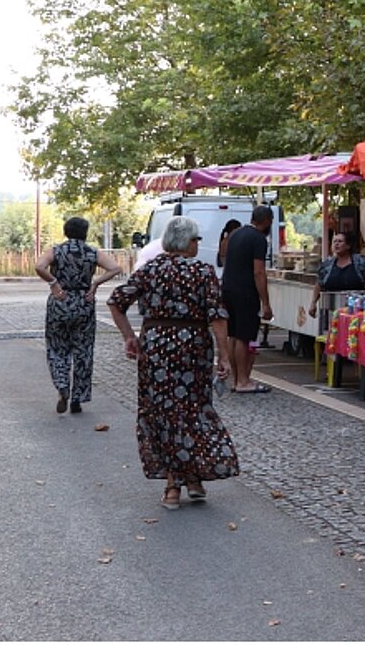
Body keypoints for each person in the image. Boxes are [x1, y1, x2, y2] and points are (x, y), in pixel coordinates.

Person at [107, 216, 238, 510]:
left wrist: (130, 337)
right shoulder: (203, 272)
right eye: (196, 240)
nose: (198, 245)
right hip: (193, 347)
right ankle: (186, 481)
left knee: (163, 413)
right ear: (187, 242)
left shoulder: (150, 270)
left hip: (157, 348)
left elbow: (116, 302)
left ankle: (175, 485)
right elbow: (217, 316)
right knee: (193, 411)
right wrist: (224, 355)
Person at [35, 216, 122, 414]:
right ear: (85, 232)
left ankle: (62, 384)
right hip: (84, 302)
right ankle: (78, 399)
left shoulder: (56, 251)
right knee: (83, 351)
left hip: (60, 301)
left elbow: (39, 266)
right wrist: (95, 283)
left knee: (57, 348)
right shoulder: (92, 252)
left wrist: (53, 283)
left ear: (66, 231)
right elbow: (116, 268)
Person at [222, 205, 275, 393]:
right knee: (245, 337)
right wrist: (266, 303)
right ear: (268, 221)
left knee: (234, 335)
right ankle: (244, 381)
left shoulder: (236, 234)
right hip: (245, 292)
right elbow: (259, 272)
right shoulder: (259, 239)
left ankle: (237, 379)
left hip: (228, 289)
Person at [310, 232, 365, 325]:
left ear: (348, 245)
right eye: (335, 241)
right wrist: (313, 303)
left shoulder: (359, 261)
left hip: (355, 311)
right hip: (331, 310)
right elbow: (319, 284)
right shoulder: (327, 264)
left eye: (340, 241)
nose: (336, 244)